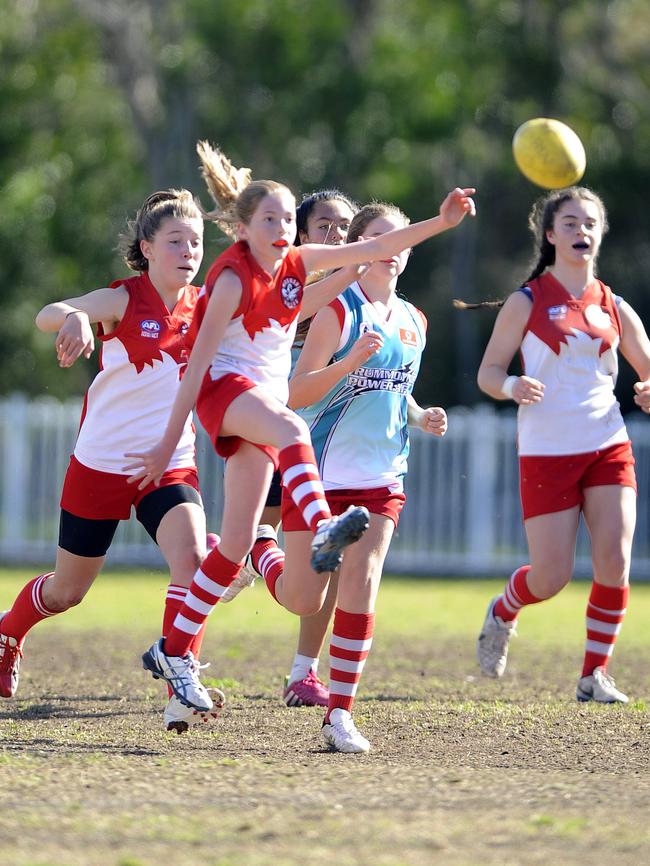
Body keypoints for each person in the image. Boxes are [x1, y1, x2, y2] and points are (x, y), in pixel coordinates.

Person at [127, 140, 476, 717]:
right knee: (292, 429)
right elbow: (195, 370)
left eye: (289, 218)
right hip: (224, 395)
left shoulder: (294, 266)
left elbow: (379, 245)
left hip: (259, 400)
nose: (285, 227)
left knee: (235, 544)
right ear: (242, 227)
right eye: (271, 218)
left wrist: (439, 222)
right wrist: (168, 440)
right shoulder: (232, 278)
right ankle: (322, 526)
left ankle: (175, 649)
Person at [0, 189, 224, 733]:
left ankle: (179, 670)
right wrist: (76, 317)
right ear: (147, 248)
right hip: (100, 465)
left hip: (168, 464)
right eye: (176, 241)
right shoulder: (125, 299)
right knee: (66, 591)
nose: (189, 250)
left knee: (192, 563)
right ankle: (8, 634)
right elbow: (45, 315)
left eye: (196, 241)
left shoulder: (209, 305)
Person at [245, 201, 450, 752]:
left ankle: (341, 715)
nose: (394, 247)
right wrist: (350, 361)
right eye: (381, 237)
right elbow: (297, 391)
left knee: (361, 584)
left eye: (401, 239)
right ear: (361, 247)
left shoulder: (415, 321)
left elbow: (396, 388)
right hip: (321, 474)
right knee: (304, 601)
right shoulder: (338, 309)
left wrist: (419, 413)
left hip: (384, 478)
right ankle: (262, 552)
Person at [471, 186, 650, 703]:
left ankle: (594, 675)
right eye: (569, 223)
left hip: (607, 443)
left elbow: (646, 367)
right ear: (550, 236)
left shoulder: (613, 304)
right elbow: (488, 373)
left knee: (615, 557)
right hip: (547, 449)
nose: (582, 232)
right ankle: (505, 609)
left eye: (590, 223)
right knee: (550, 577)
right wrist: (510, 386)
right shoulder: (526, 302)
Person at [222, 188, 360, 711]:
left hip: (321, 445)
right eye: (325, 224)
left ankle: (304, 671)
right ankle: (180, 654)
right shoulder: (286, 285)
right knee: (237, 545)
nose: (336, 234)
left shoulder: (359, 293)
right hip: (267, 433)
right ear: (301, 233)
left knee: (328, 555)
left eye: (345, 226)